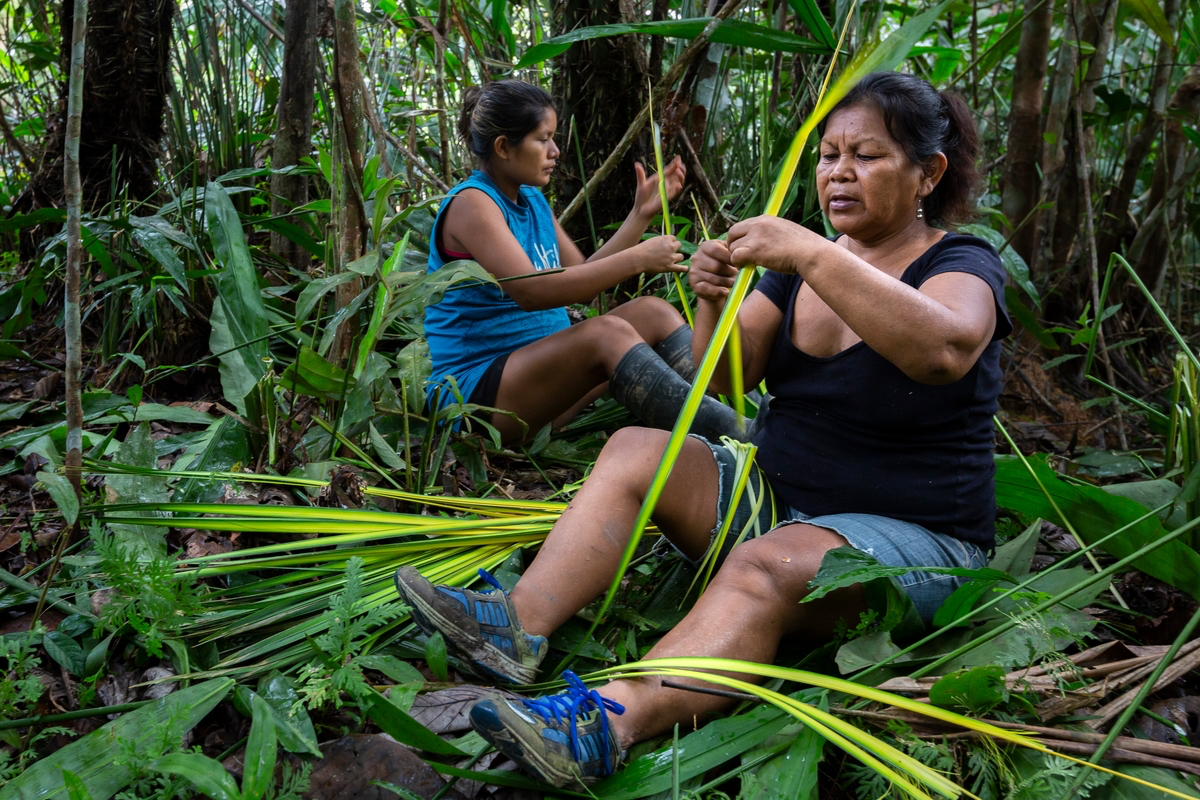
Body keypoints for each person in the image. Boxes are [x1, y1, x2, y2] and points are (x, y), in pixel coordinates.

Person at [396, 72, 1012, 789]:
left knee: (766, 566)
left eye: (867, 156)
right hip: (786, 507)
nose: (839, 172)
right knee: (634, 450)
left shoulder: (960, 261)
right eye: (829, 154)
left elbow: (943, 349)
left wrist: (815, 253)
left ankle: (607, 721)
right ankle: (515, 627)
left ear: (927, 173)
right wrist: (711, 297)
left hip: (914, 542)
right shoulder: (795, 273)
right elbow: (725, 376)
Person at [424, 80, 741, 443]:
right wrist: (636, 260)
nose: (555, 150)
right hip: (479, 405)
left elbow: (580, 278)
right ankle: (739, 436)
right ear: (503, 148)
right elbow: (532, 293)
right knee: (606, 333)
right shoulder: (472, 204)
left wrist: (639, 215)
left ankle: (744, 408)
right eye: (542, 139)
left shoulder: (531, 200)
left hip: (547, 391)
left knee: (652, 311)